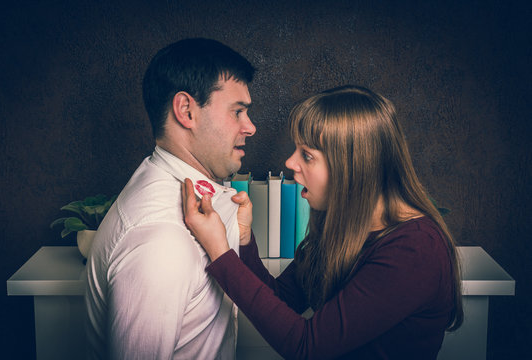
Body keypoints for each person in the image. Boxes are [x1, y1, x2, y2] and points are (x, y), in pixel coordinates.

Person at [182, 85, 464, 359]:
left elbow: (307, 347)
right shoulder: (342, 227)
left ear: (352, 169)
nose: (290, 163)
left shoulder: (415, 250)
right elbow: (281, 298)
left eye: (307, 155)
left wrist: (221, 253)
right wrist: (243, 239)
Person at [84, 38, 256, 359]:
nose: (251, 127)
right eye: (238, 111)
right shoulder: (160, 241)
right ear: (186, 111)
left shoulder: (174, 185)